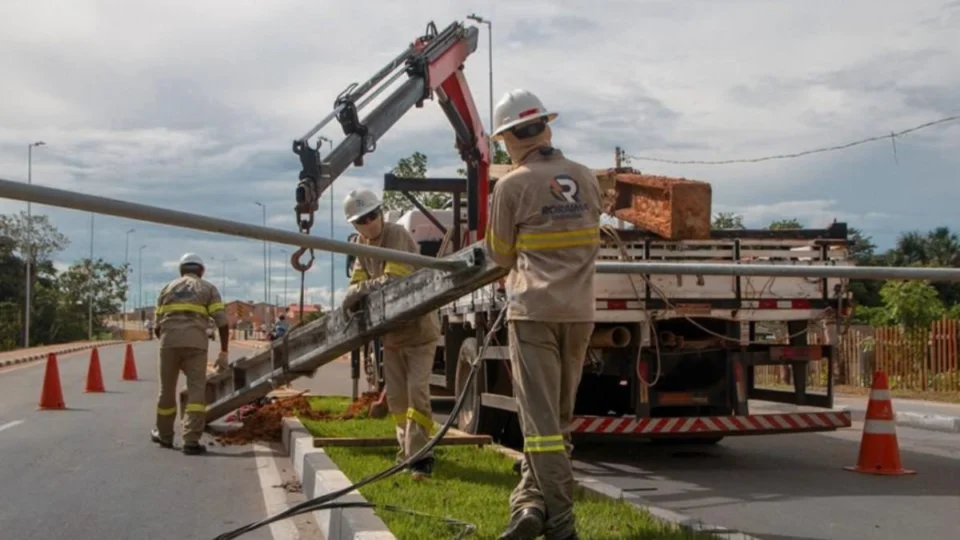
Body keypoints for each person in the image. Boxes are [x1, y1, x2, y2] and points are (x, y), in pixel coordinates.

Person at [483, 89, 602, 540]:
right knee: (558, 421)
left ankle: (561, 524)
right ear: (546, 128)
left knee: (541, 428)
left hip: (533, 312)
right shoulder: (586, 177)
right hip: (580, 312)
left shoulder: (511, 186)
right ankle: (529, 504)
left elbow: (498, 255)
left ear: (508, 139)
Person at [341, 188, 441, 479]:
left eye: (373, 214)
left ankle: (422, 459)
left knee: (417, 394)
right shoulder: (361, 244)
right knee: (397, 401)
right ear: (355, 225)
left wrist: (357, 292)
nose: (370, 221)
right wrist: (354, 293)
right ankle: (407, 452)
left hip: (419, 331)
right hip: (393, 336)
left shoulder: (396, 235)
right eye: (362, 219)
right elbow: (356, 282)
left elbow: (394, 280)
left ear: (381, 212)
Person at [150, 252, 230, 455]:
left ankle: (165, 435)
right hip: (196, 345)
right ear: (201, 271)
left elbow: (157, 328)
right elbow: (222, 322)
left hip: (169, 343)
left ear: (181, 270)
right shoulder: (208, 288)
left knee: (166, 390)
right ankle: (191, 440)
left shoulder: (167, 288)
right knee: (196, 391)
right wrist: (223, 351)